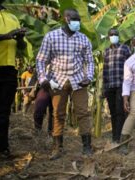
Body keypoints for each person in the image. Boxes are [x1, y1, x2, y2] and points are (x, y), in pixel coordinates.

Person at [36, 8, 95, 160]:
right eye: (75, 20)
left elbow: (89, 61)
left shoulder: (83, 39)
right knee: (58, 114)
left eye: (79, 20)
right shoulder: (51, 37)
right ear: (66, 19)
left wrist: (88, 77)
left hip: (78, 80)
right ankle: (57, 147)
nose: (78, 23)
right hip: (58, 81)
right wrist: (43, 79)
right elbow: (41, 60)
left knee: (83, 113)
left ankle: (87, 146)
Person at [0, 0, 27, 158]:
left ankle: (3, 147)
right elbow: (5, 37)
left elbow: (21, 48)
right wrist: (6, 36)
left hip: (9, 69)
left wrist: (20, 38)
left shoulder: (13, 18)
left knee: (4, 112)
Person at [103, 28, 131, 143]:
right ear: (108, 37)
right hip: (110, 86)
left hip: (121, 84)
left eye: (115, 34)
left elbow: (130, 66)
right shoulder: (106, 51)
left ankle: (121, 136)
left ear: (118, 36)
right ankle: (115, 136)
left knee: (120, 111)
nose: (113, 36)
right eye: (111, 34)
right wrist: (104, 87)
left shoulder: (125, 48)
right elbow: (105, 70)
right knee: (113, 112)